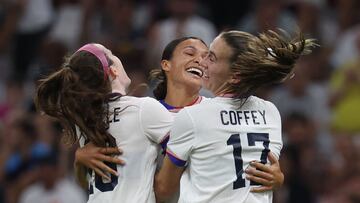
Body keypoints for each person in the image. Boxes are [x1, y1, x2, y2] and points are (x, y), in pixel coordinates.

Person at [75, 37, 284, 200]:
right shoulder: (140, 114)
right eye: (190, 52)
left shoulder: (213, 114)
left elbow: (246, 164)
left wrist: (277, 178)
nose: (200, 60)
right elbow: (103, 180)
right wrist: (80, 160)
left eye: (208, 57)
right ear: (166, 64)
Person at [154, 30, 316, 203]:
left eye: (212, 58)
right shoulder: (271, 112)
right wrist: (279, 179)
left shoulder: (194, 116)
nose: (203, 62)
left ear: (235, 77)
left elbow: (163, 189)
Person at [34, 43, 174, 203]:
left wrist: (78, 158)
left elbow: (84, 182)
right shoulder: (143, 109)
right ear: (113, 71)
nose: (117, 57)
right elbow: (184, 149)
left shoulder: (86, 119)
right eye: (112, 53)